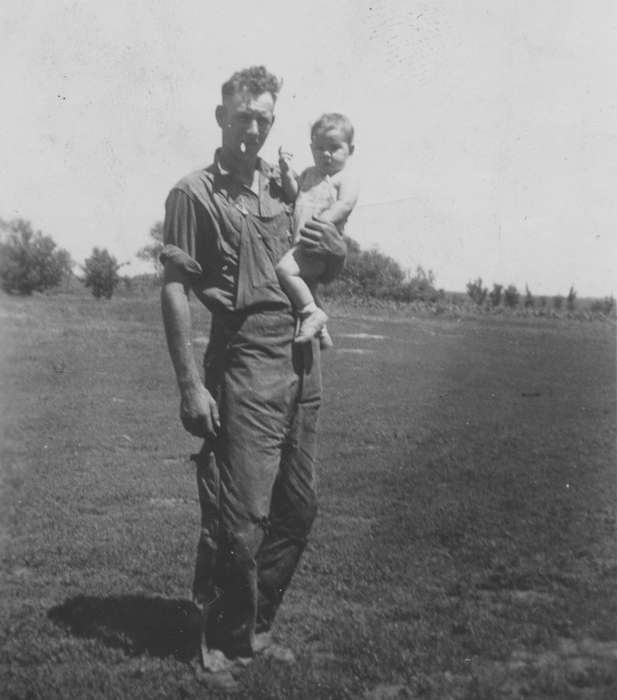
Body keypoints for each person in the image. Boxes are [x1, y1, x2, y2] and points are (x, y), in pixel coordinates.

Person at [159, 66, 346, 689]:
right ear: (221, 118)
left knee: (299, 505)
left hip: (300, 350)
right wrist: (191, 384)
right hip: (242, 356)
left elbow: (311, 266)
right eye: (244, 116)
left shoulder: (288, 185)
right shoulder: (193, 192)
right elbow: (176, 292)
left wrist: (338, 260)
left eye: (265, 117)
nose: (255, 128)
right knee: (239, 515)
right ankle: (219, 637)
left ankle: (255, 624)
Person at [277, 113, 359, 346]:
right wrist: (285, 171)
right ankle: (322, 333)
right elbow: (293, 194)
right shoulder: (308, 174)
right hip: (303, 241)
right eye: (320, 147)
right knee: (306, 285)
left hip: (318, 242)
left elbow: (345, 205)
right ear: (311, 147)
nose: (326, 153)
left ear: (350, 150)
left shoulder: (345, 178)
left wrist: (321, 222)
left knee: (284, 271)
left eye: (334, 148)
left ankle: (312, 314)